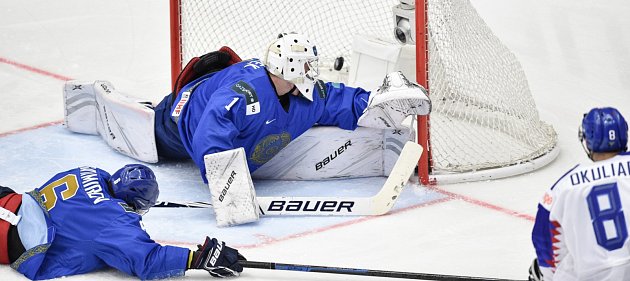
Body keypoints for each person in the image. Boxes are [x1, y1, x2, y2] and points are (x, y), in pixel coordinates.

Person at [62, 32, 431, 183]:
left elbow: (337, 99)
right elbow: (209, 132)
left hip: (214, 108)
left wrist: (377, 103)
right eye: (304, 66)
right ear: (287, 68)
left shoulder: (307, 92)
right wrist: (228, 184)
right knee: (145, 137)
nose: (310, 72)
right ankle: (97, 103)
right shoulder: (243, 93)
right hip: (172, 126)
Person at [0, 164, 245, 280]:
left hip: (7, 203)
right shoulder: (113, 221)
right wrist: (197, 258)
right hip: (11, 240)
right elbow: (147, 260)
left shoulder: (87, 172)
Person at [529, 107, 630, 281]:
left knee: (537, 270)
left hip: (591, 275)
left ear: (588, 141)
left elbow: (544, 240)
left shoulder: (563, 187)